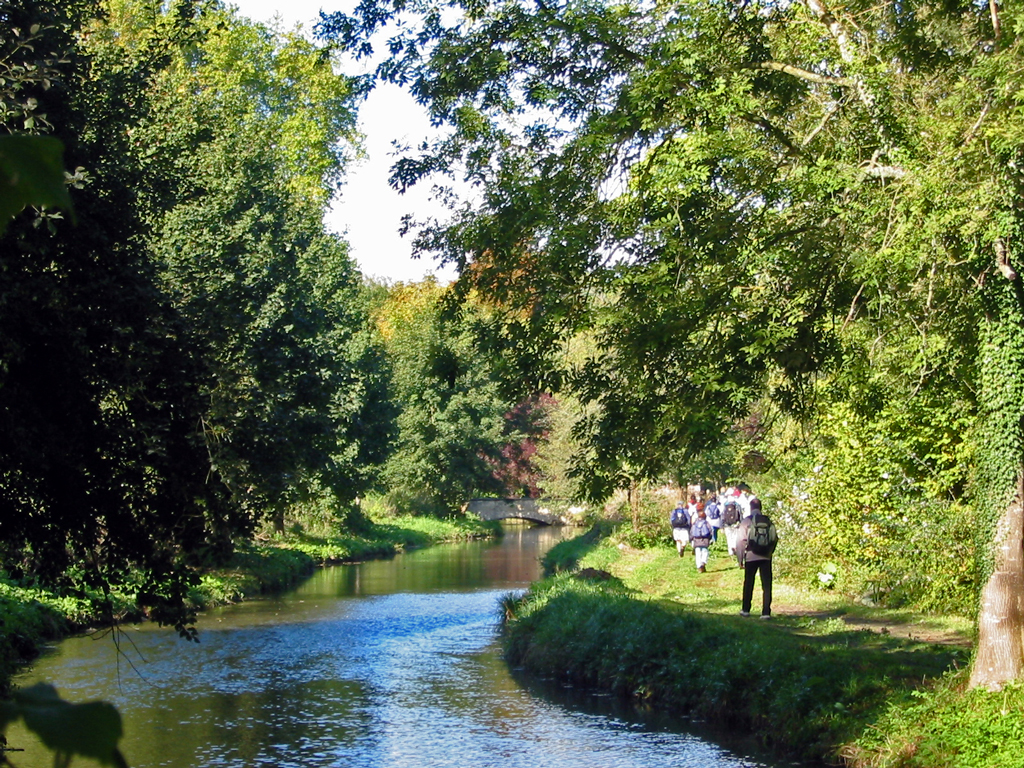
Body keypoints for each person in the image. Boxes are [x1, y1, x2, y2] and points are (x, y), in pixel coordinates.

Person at [736, 498, 778, 619]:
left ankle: (746, 609)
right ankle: (766, 612)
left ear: (750, 508)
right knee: (767, 584)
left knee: (749, 583)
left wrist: (740, 558)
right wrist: (770, 552)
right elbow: (774, 538)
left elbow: (740, 541)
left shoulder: (746, 522)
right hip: (766, 556)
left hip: (751, 556)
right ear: (761, 507)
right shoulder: (768, 521)